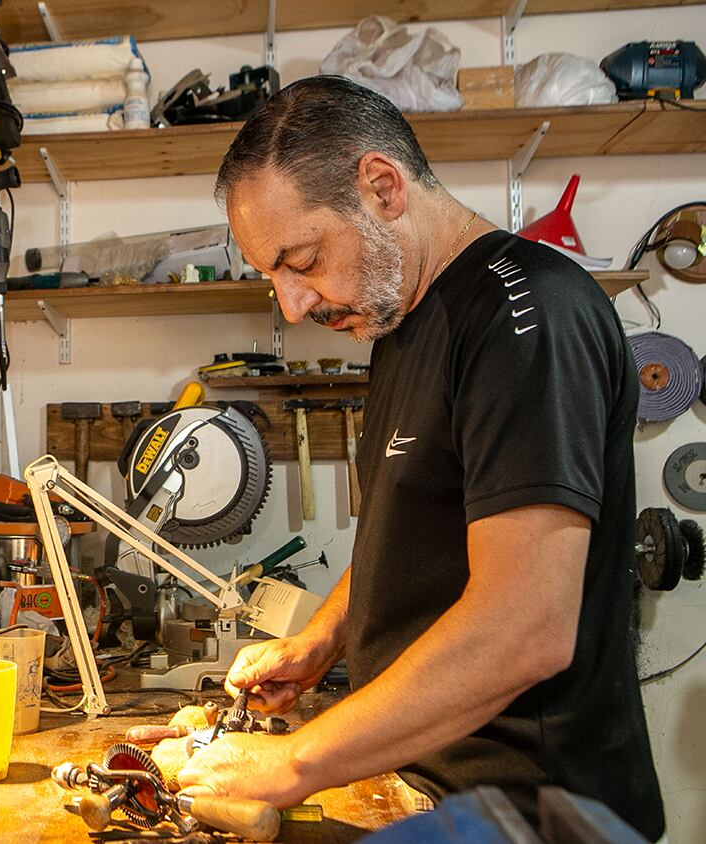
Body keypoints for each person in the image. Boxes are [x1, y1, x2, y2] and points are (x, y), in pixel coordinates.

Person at [176, 76, 664, 840]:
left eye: (300, 259)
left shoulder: (526, 316)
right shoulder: (402, 323)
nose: (292, 305)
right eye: (272, 275)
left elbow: (526, 625)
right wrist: (322, 639)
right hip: (428, 782)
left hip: (530, 811)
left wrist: (296, 761)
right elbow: (411, 532)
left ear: (382, 187)